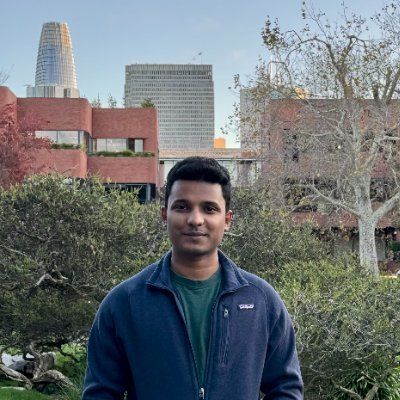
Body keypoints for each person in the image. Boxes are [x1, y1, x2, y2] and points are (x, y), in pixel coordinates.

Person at [82, 157, 303, 400]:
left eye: (209, 209)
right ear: (165, 214)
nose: (195, 220)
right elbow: (100, 393)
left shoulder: (261, 300)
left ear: (227, 220)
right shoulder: (125, 302)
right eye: (182, 207)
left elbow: (286, 388)